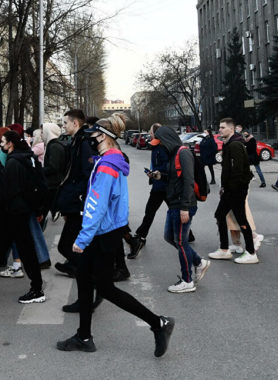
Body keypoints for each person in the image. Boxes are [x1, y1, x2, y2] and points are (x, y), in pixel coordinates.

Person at [56, 113, 174, 357]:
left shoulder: (107, 165)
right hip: (106, 231)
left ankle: (158, 323)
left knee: (105, 288)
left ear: (103, 137)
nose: (90, 138)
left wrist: (83, 238)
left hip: (101, 234)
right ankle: (84, 336)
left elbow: (97, 205)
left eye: (93, 134)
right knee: (85, 280)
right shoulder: (112, 159)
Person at [0, 129, 47, 304]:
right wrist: (38, 209)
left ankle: (36, 289)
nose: (1, 145)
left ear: (10, 144)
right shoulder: (29, 158)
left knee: (4, 251)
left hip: (13, 213)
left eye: (3, 142)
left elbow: (9, 190)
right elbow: (39, 184)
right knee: (15, 250)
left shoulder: (13, 162)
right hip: (23, 211)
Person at [152, 126, 208, 293]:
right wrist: (160, 176)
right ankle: (199, 262)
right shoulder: (173, 154)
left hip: (183, 205)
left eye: (160, 143)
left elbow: (189, 181)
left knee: (181, 242)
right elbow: (175, 177)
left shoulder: (183, 153)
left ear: (167, 140)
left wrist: (185, 207)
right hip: (174, 204)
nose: (159, 147)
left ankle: (187, 280)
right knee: (170, 237)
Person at [212, 118, 258, 263]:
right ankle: (224, 249)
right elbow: (227, 169)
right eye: (219, 127)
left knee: (240, 218)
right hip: (230, 189)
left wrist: (230, 188)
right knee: (220, 215)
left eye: (223, 127)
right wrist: (224, 187)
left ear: (231, 129)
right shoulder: (228, 144)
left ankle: (251, 252)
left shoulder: (235, 145)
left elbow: (237, 170)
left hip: (236, 189)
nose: (220, 130)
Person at [52, 109, 91, 278]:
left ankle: (82, 270)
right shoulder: (77, 140)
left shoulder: (83, 142)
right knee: (70, 242)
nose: (63, 126)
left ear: (75, 123)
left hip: (77, 201)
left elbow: (86, 173)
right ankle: (76, 267)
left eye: (65, 123)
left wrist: (78, 196)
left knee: (65, 245)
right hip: (74, 199)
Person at [127, 123, 167, 259]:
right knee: (174, 209)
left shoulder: (161, 148)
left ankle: (140, 237)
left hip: (161, 186)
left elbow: (165, 166)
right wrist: (152, 173)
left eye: (151, 131)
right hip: (160, 184)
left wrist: (157, 173)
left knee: (150, 211)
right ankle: (188, 234)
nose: (149, 133)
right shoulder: (157, 146)